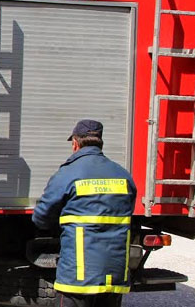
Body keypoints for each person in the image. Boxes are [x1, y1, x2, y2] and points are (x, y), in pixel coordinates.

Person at [33, 120, 137, 307]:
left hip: (78, 277)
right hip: (114, 276)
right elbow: (128, 210)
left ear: (75, 143)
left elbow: (41, 217)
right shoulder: (123, 175)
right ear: (100, 142)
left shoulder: (67, 173)